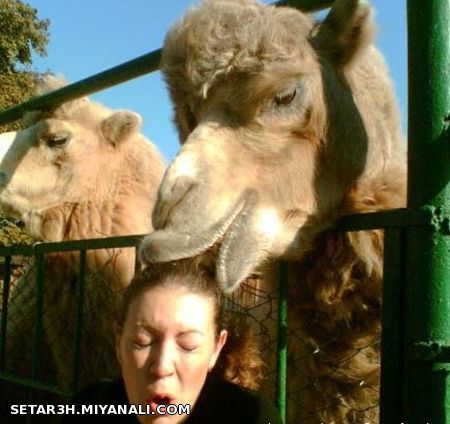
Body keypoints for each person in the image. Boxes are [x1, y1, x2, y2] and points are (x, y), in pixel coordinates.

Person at [62, 257, 282, 423]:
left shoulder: (251, 416)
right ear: (119, 342)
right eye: (142, 341)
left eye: (188, 346)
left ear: (216, 349)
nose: (161, 367)